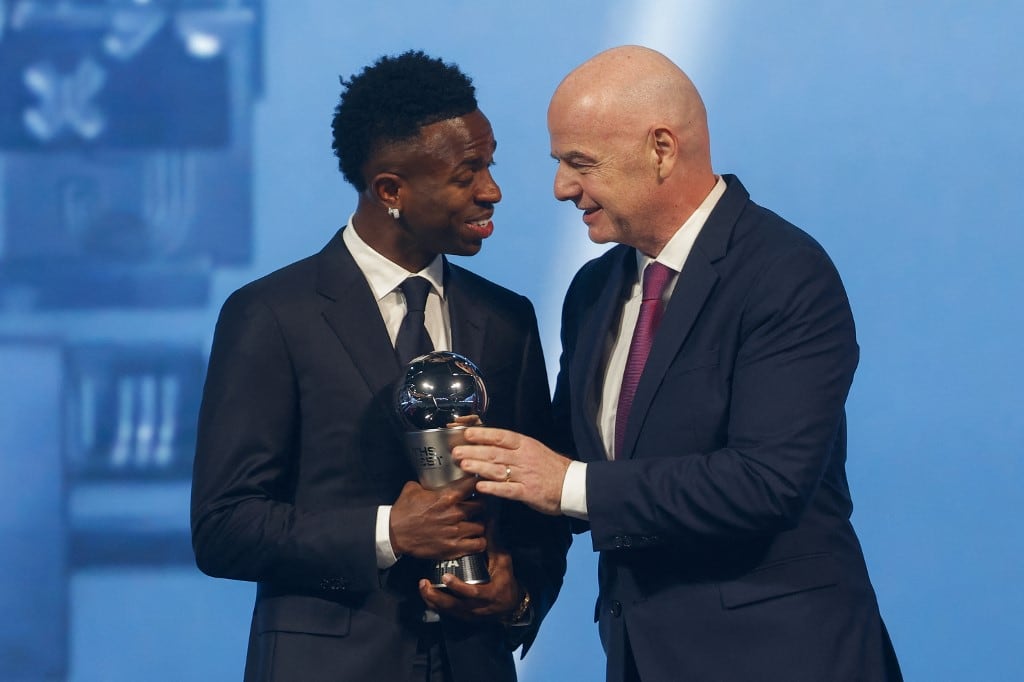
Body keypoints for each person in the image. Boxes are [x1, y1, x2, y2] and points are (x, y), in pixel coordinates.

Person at [453, 45, 902, 681]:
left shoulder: (784, 273)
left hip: (783, 658)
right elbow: (554, 472)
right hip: (641, 658)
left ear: (662, 149)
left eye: (580, 163)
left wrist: (569, 486)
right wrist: (502, 573)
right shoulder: (593, 291)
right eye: (559, 163)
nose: (561, 188)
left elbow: (766, 483)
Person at [190, 50, 569, 682]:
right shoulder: (272, 315)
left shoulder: (508, 320)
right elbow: (224, 527)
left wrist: (518, 599)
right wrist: (390, 530)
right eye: (466, 173)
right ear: (390, 191)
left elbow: (538, 514)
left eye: (490, 164)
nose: (492, 191)